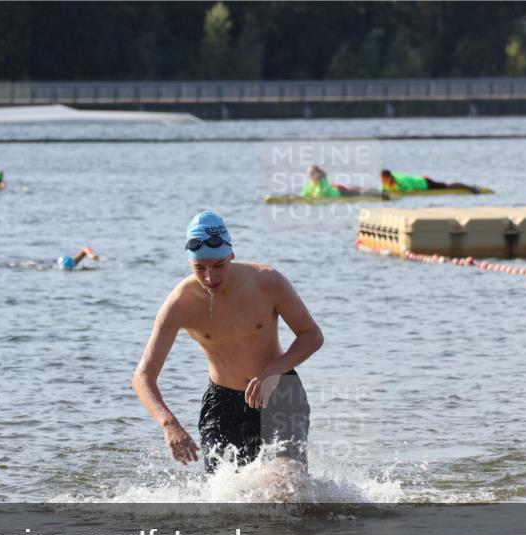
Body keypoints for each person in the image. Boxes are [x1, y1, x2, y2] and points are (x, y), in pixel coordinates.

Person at [132, 211, 323, 473]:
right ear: (190, 264)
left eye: (218, 266)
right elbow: (143, 376)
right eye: (200, 268)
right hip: (223, 404)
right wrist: (169, 424)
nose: (210, 278)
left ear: (231, 255)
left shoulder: (268, 282)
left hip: (280, 393)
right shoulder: (180, 303)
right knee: (227, 498)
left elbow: (311, 335)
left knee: (285, 484)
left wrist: (273, 370)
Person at [301, 164, 384, 199]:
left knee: (360, 194)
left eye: (312, 173)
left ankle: (379, 193)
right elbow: (304, 193)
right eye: (309, 174)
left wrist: (307, 197)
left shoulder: (323, 180)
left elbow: (319, 195)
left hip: (340, 192)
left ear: (317, 173)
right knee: (357, 190)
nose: (310, 176)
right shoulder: (310, 183)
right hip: (335, 187)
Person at [381, 169, 482, 194]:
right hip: (421, 180)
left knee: (448, 186)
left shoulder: (400, 181)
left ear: (389, 178)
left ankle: (472, 188)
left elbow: (410, 191)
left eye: (384, 179)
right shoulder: (386, 182)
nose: (382, 181)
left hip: (425, 183)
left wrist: (397, 192)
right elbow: (381, 190)